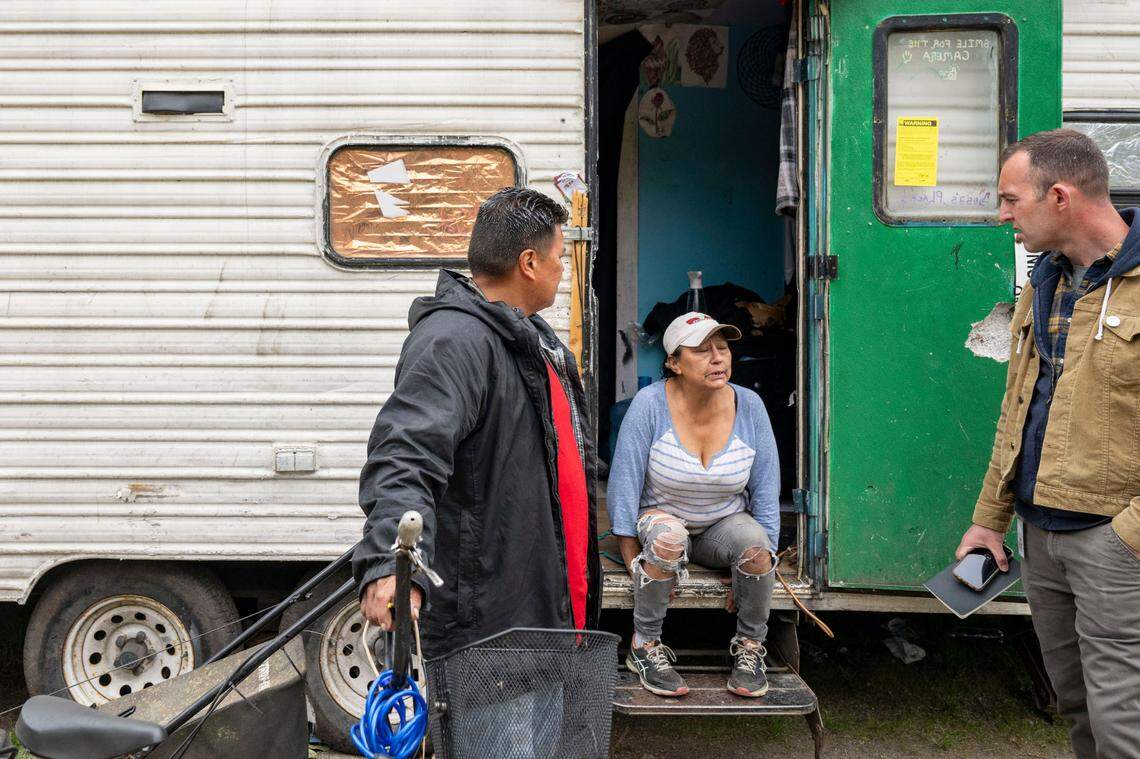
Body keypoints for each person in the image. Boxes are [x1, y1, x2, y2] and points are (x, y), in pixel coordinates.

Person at [353, 187, 601, 661]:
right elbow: (405, 453)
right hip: (488, 635)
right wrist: (392, 563)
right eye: (557, 259)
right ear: (528, 263)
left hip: (544, 617)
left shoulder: (529, 336)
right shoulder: (455, 339)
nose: (562, 271)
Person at [956, 128, 1140, 758]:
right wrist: (989, 521)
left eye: (1011, 199)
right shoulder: (1046, 283)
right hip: (1043, 537)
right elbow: (1019, 409)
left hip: (1113, 542)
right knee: (1079, 711)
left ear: (1059, 196)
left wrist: (1125, 538)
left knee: (1124, 725)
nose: (1002, 214)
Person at [607, 312, 781, 698]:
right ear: (673, 362)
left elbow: (767, 493)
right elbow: (624, 482)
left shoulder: (749, 405)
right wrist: (638, 561)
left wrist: (757, 571)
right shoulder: (649, 405)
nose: (718, 358)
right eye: (702, 351)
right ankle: (645, 645)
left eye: (723, 348)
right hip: (663, 516)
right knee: (668, 539)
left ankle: (751, 648)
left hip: (723, 524)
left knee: (756, 545)